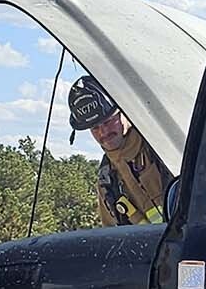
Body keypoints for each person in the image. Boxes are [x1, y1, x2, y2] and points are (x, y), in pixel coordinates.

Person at [67, 76, 173, 226]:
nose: (103, 132)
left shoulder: (160, 148)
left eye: (108, 122)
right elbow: (111, 233)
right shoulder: (106, 179)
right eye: (95, 128)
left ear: (124, 111)